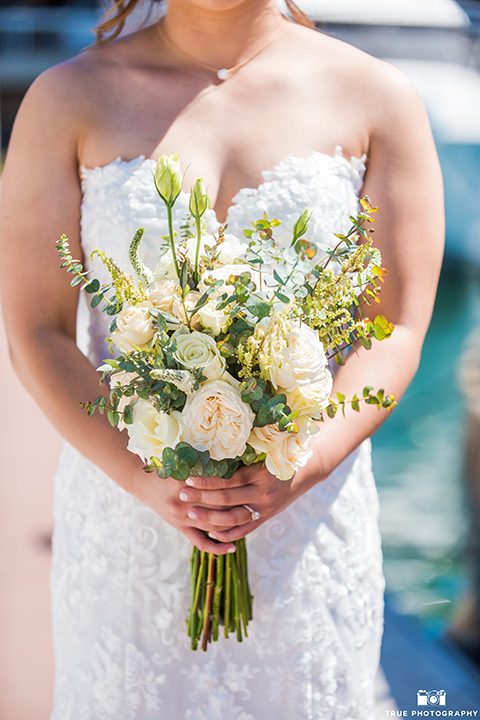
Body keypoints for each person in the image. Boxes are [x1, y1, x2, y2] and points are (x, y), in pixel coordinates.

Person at [0, 0, 444, 717]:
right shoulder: (67, 97)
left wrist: (297, 466)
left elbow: (391, 330)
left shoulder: (377, 96)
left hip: (304, 516)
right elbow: (38, 331)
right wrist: (150, 481)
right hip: (127, 517)